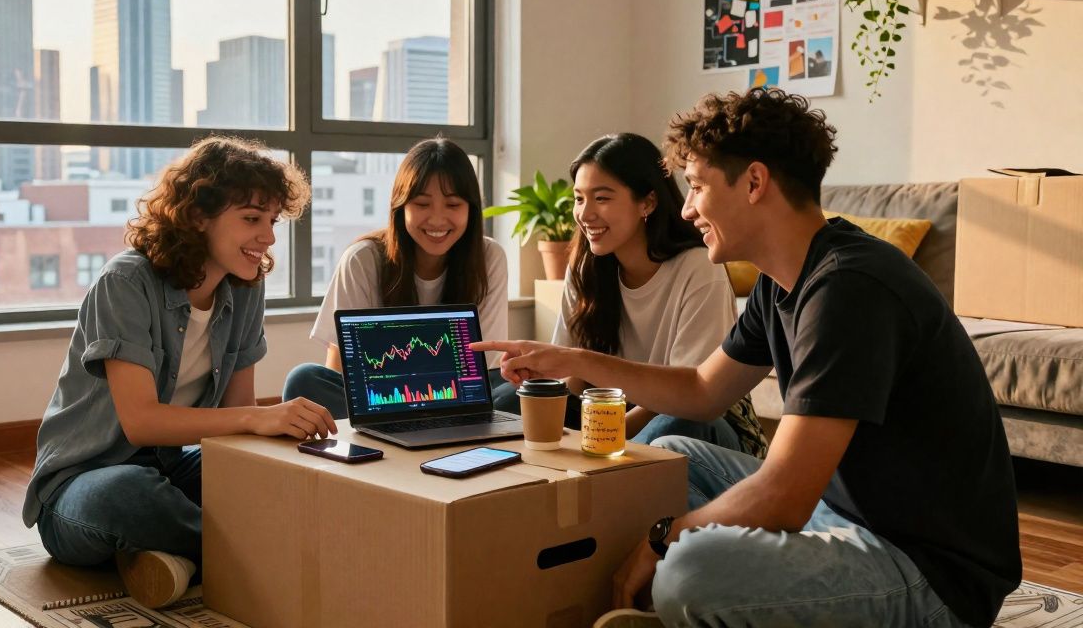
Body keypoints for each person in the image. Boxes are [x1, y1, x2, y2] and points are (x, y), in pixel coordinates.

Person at [476, 89, 1020, 627]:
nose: (686, 209)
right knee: (672, 454)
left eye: (696, 187)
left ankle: (692, 602)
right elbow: (701, 390)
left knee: (688, 570)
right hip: (841, 513)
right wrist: (569, 360)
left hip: (929, 573)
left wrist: (664, 536)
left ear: (754, 183)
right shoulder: (781, 281)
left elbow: (784, 498)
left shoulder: (849, 288)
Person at [22, 137, 338, 609]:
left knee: (278, 472)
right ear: (197, 216)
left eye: (272, 221)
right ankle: (265, 559)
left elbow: (238, 415)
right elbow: (142, 422)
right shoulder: (125, 282)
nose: (269, 238)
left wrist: (272, 460)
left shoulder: (246, 287)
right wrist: (260, 418)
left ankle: (175, 557)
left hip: (170, 469)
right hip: (83, 483)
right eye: (252, 219)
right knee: (128, 493)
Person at [555, 133, 765, 457]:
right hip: (610, 421)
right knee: (510, 399)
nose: (585, 213)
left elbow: (692, 395)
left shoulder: (698, 268)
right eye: (579, 199)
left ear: (648, 202)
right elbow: (572, 375)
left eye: (602, 198)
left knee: (675, 424)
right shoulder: (586, 267)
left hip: (702, 423)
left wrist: (602, 437)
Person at [284, 136, 508, 417]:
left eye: (453, 205)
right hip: (379, 403)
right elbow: (340, 368)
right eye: (422, 204)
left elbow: (486, 364)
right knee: (304, 380)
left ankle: (433, 431)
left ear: (471, 209)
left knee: (518, 393)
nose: (437, 219)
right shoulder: (363, 259)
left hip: (460, 400)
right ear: (400, 206)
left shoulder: (489, 257)